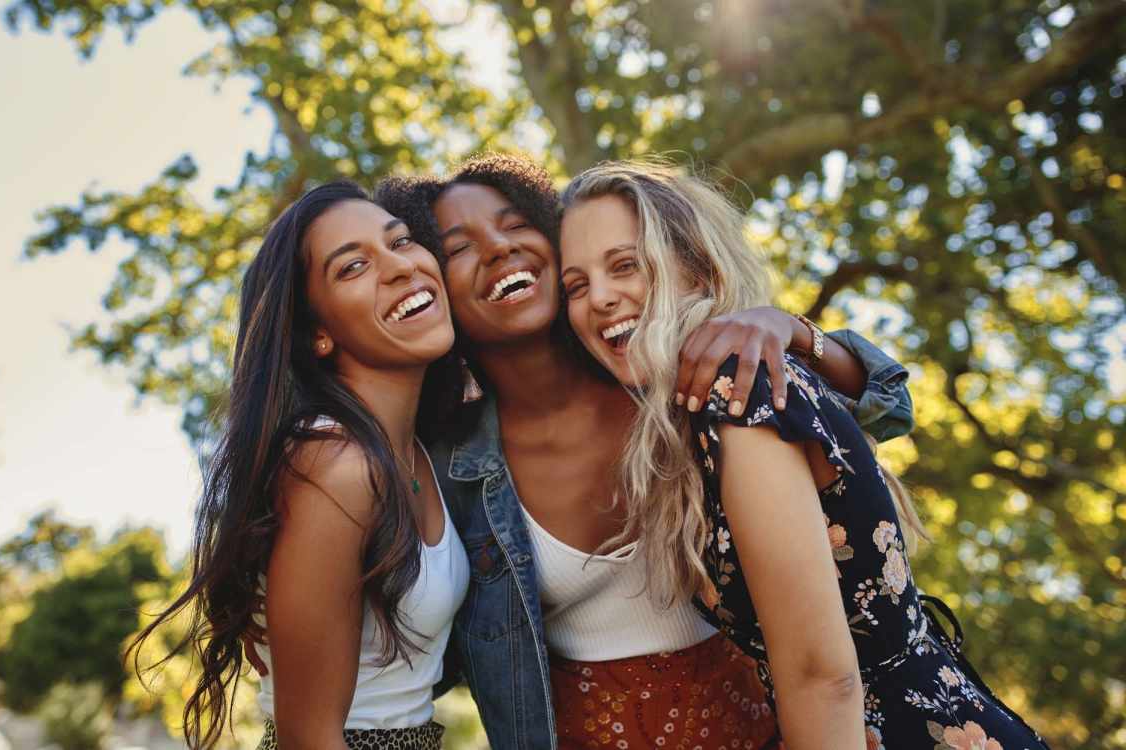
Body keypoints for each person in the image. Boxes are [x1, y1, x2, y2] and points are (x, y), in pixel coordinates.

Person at [374, 153, 917, 749]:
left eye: (514, 224)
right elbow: (422, 644)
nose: (499, 248)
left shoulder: (670, 371)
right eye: (458, 247)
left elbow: (883, 410)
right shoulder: (447, 469)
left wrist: (790, 329)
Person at [558, 159, 1050, 749]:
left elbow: (824, 676)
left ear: (700, 271)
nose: (602, 299)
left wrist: (792, 329)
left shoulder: (739, 391)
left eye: (625, 266)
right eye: (577, 285)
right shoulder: (695, 411)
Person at [130, 182, 468, 750]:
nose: (399, 267)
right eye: (353, 266)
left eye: (401, 241)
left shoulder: (418, 450)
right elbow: (309, 738)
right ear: (317, 334)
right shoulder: (333, 465)